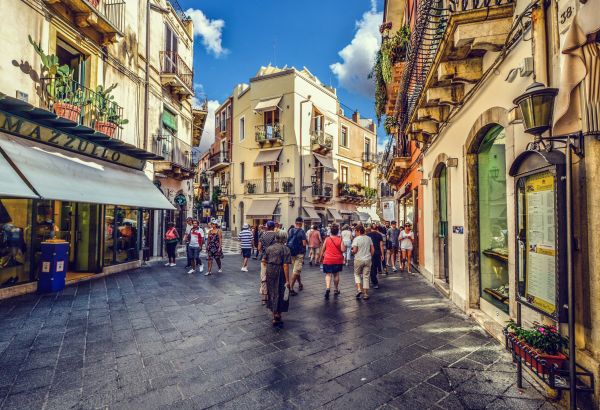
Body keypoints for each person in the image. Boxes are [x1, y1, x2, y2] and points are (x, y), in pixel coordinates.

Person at [262, 229, 291, 326]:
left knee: (272, 291)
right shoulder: (285, 249)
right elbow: (286, 265)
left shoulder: (270, 248)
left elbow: (264, 260)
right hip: (280, 271)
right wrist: (287, 280)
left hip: (270, 270)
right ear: (284, 238)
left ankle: (274, 314)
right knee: (280, 291)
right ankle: (279, 314)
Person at [320, 224, 345, 299]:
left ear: (331, 231)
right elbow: (343, 250)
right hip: (337, 260)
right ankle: (335, 289)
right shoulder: (340, 239)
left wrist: (320, 257)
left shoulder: (327, 239)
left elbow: (323, 249)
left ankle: (328, 288)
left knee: (328, 274)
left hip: (328, 259)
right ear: (338, 232)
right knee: (336, 275)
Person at [351, 225, 374, 300]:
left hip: (358, 259)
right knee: (366, 276)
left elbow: (354, 250)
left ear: (358, 231)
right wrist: (370, 256)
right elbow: (372, 250)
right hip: (367, 259)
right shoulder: (369, 238)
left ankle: (359, 289)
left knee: (357, 274)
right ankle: (366, 294)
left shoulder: (356, 239)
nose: (355, 232)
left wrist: (352, 252)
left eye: (355, 231)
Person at [258, 221, 277, 304]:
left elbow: (259, 247)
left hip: (264, 259)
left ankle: (264, 297)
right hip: (274, 260)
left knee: (264, 277)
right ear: (273, 227)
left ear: (267, 227)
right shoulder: (277, 235)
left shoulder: (263, 235)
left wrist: (264, 252)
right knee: (274, 278)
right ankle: (272, 295)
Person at [288, 217, 307, 296]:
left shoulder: (291, 230)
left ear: (295, 223)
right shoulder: (302, 232)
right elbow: (304, 244)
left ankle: (300, 284)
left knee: (296, 269)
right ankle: (291, 288)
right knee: (296, 271)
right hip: (299, 253)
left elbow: (288, 241)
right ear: (301, 223)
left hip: (292, 253)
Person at [366, 223, 385, 289]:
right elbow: (381, 245)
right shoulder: (379, 235)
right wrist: (382, 254)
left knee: (371, 267)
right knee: (375, 267)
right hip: (377, 253)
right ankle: (374, 281)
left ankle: (373, 280)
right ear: (377, 229)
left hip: (370, 253)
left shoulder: (367, 235)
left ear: (370, 228)